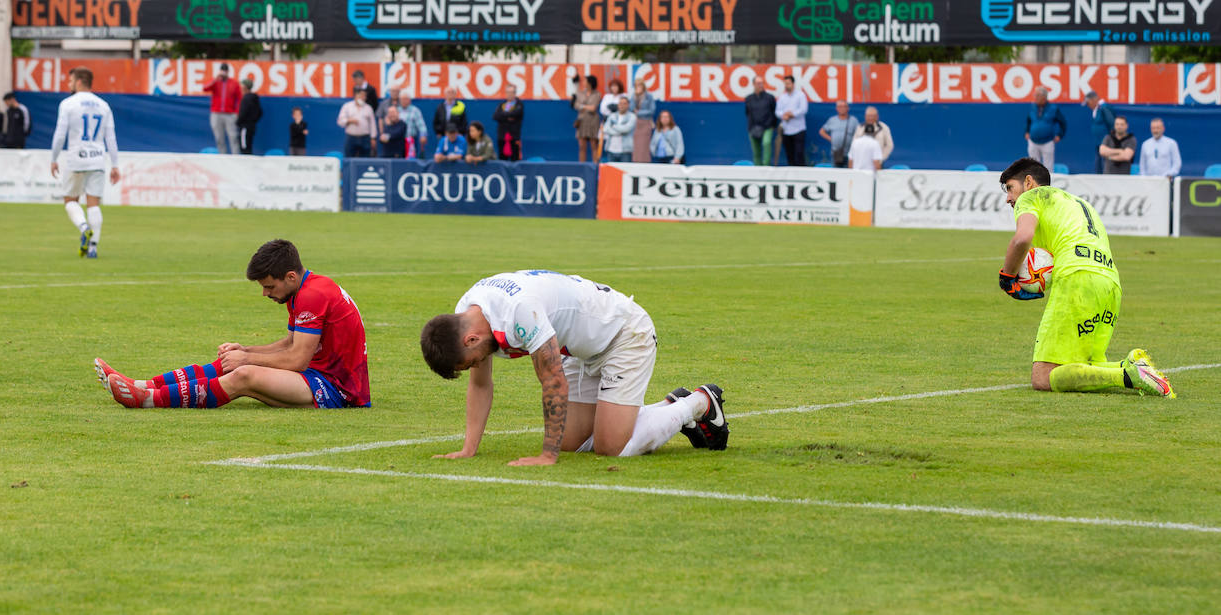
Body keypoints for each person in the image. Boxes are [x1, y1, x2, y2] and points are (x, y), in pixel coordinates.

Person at [419, 270, 730, 466]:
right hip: (578, 348)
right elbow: (480, 385)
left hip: (623, 333)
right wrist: (468, 449)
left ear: (471, 339)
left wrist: (546, 455)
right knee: (572, 443)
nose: (477, 365)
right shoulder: (466, 312)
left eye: (471, 361)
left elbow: (552, 380)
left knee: (611, 447)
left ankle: (698, 403)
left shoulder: (519, 313)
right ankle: (667, 406)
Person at [97, 239, 370, 409]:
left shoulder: (312, 294)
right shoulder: (303, 288)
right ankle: (142, 384)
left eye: (268, 286)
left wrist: (247, 358)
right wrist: (244, 350)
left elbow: (297, 359)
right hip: (318, 375)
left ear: (289, 276)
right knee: (230, 361)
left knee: (243, 374)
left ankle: (147, 400)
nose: (265, 293)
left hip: (337, 389)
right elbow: (289, 343)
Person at [996, 158, 1173, 397]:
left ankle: (1127, 376)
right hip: (1110, 284)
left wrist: (1007, 277)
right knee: (1085, 365)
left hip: (1077, 281)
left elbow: (1022, 238)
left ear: (1028, 182)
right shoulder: (1079, 203)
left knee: (1042, 376)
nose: (1008, 198)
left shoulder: (1032, 197)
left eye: (1010, 188)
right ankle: (1133, 369)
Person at [50, 66, 120, 260]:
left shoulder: (68, 104)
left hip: (76, 159)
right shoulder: (104, 105)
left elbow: (60, 135)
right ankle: (93, 248)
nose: (69, 83)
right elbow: (111, 138)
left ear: (79, 81)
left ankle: (84, 227)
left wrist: (53, 158)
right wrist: (115, 164)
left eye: (70, 80)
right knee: (93, 204)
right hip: (97, 158)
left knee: (70, 200)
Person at [203, 63, 242, 154]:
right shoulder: (216, 82)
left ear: (228, 72)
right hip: (216, 113)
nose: (224, 73)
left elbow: (239, 98)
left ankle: (236, 158)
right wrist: (215, 79)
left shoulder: (234, 83)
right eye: (222, 70)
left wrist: (236, 112)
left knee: (233, 137)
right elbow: (205, 88)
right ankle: (223, 157)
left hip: (230, 114)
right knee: (219, 138)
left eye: (225, 71)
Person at [1024, 87, 1066, 168]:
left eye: (1037, 95)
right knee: (1033, 167)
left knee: (1048, 168)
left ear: (1044, 97)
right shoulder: (1033, 107)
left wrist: (1059, 135)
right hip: (1033, 141)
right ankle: (1035, 181)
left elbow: (1063, 123)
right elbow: (1028, 120)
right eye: (1035, 95)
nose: (1035, 97)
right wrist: (1027, 131)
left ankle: (1047, 180)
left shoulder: (1053, 108)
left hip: (1047, 142)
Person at [744, 75, 777, 166]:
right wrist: (751, 127)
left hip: (767, 127)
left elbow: (774, 112)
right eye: (758, 83)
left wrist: (771, 124)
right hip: (753, 127)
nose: (761, 85)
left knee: (766, 143)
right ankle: (757, 168)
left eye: (762, 83)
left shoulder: (769, 97)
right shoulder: (749, 99)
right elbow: (747, 112)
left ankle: (766, 166)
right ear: (753, 84)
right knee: (756, 151)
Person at [775, 75, 808, 166]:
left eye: (788, 83)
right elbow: (777, 111)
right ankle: (792, 176)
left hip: (798, 129)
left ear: (793, 84)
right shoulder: (782, 97)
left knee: (799, 153)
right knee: (790, 155)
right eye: (785, 84)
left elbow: (803, 109)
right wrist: (783, 115)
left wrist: (792, 114)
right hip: (786, 130)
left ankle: (802, 174)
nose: (787, 85)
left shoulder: (800, 95)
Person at [337, 86, 377, 158]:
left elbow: (372, 124)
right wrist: (349, 120)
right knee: (349, 158)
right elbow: (340, 121)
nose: (363, 98)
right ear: (356, 95)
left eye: (365, 96)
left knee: (365, 159)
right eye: (361, 95)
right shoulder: (347, 106)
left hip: (365, 138)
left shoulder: (368, 108)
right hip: (351, 138)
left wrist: (373, 138)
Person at [819, 100, 859, 167]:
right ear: (836, 108)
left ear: (848, 108)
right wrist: (831, 139)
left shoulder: (853, 120)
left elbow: (859, 134)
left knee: (848, 175)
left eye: (844, 106)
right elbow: (822, 131)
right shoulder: (832, 120)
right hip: (835, 154)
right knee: (835, 174)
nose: (842, 108)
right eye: (840, 106)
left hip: (850, 154)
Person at [572, 75, 602, 163]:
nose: (584, 83)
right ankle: (581, 167)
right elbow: (575, 105)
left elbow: (593, 108)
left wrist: (582, 106)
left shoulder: (597, 94)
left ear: (590, 83)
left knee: (594, 145)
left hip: (593, 121)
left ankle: (595, 166)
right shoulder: (580, 93)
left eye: (585, 81)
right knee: (582, 146)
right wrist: (586, 106)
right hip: (581, 121)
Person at [1084, 91, 1115, 174]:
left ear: (1094, 100)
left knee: (1105, 164)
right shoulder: (1097, 109)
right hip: (1099, 143)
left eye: (1088, 103)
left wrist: (1109, 141)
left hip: (1105, 144)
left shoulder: (1103, 108)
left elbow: (1112, 124)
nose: (1088, 105)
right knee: (1098, 164)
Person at [492, 85, 523, 161]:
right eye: (507, 92)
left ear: (515, 94)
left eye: (511, 92)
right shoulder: (501, 105)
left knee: (515, 160)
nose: (509, 94)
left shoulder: (519, 105)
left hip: (514, 137)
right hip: (502, 137)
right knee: (502, 159)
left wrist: (503, 115)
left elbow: (516, 114)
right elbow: (495, 116)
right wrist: (508, 117)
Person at [600, 95, 635, 163]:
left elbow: (626, 129)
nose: (622, 105)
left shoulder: (632, 116)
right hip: (611, 150)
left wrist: (614, 126)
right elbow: (606, 129)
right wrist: (620, 131)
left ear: (628, 105)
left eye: (624, 103)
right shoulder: (612, 115)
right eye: (620, 103)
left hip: (625, 151)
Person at [629, 78, 656, 163]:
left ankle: (645, 162)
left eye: (639, 85)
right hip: (636, 124)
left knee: (644, 145)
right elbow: (631, 109)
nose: (638, 87)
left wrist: (639, 113)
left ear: (643, 86)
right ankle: (636, 162)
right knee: (636, 146)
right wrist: (635, 96)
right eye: (636, 86)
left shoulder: (649, 96)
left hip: (646, 123)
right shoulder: (633, 96)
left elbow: (652, 110)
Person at [396, 92, 427, 159]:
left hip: (410, 141)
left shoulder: (415, 111)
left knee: (410, 160)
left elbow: (421, 125)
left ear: (409, 100)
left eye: (405, 99)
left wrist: (423, 135)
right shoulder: (396, 110)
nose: (403, 101)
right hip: (398, 141)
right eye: (402, 99)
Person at [236, 78, 262, 155]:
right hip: (251, 126)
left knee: (244, 148)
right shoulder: (255, 98)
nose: (240, 87)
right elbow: (260, 112)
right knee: (248, 147)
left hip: (245, 127)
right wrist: (253, 121)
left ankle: (245, 166)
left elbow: (243, 113)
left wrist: (238, 122)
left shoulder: (246, 98)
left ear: (245, 87)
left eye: (242, 85)